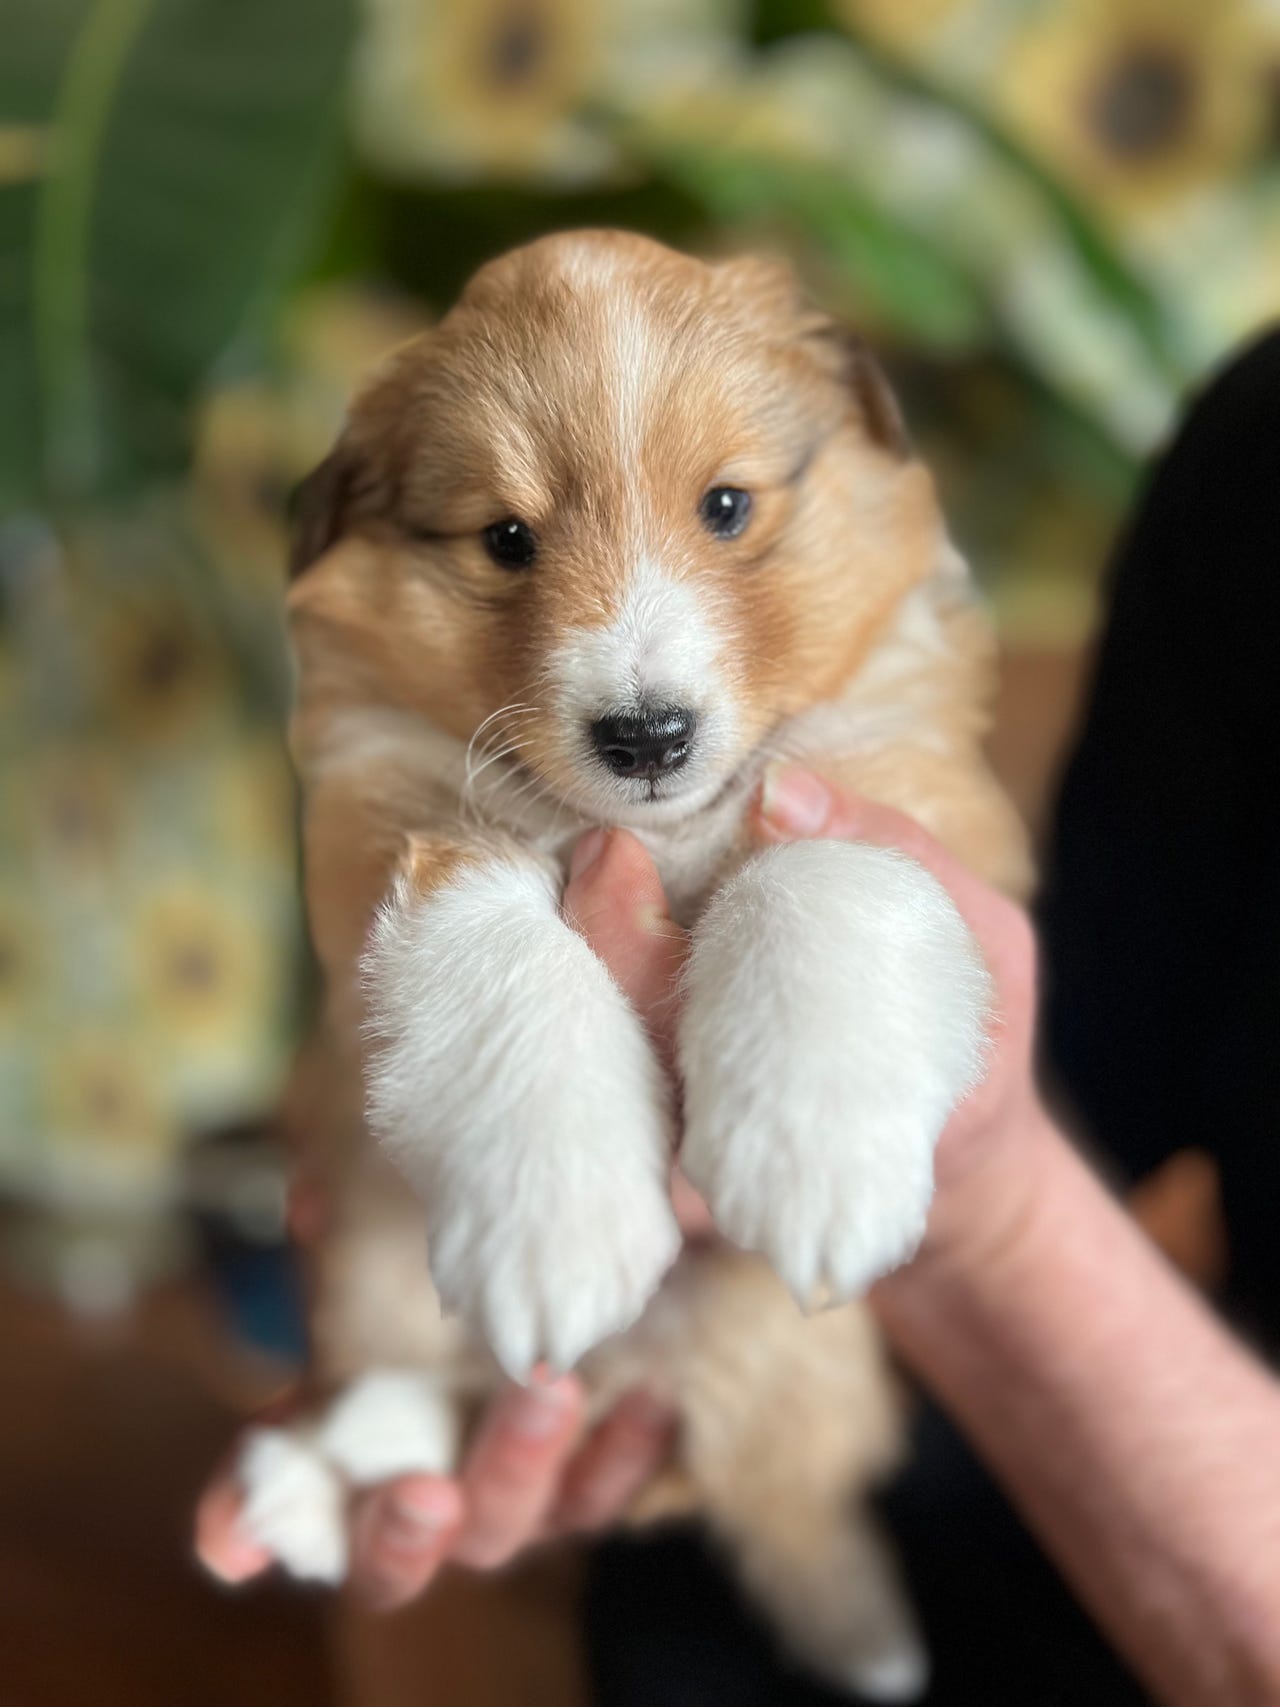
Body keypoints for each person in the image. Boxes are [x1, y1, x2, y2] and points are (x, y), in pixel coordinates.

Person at [199, 331, 1280, 1706]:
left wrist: (978, 1200)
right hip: (1003, 1450)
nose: (637, 658)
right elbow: (1096, 1072)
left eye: (723, 511)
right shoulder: (1258, 449)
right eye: (510, 539)